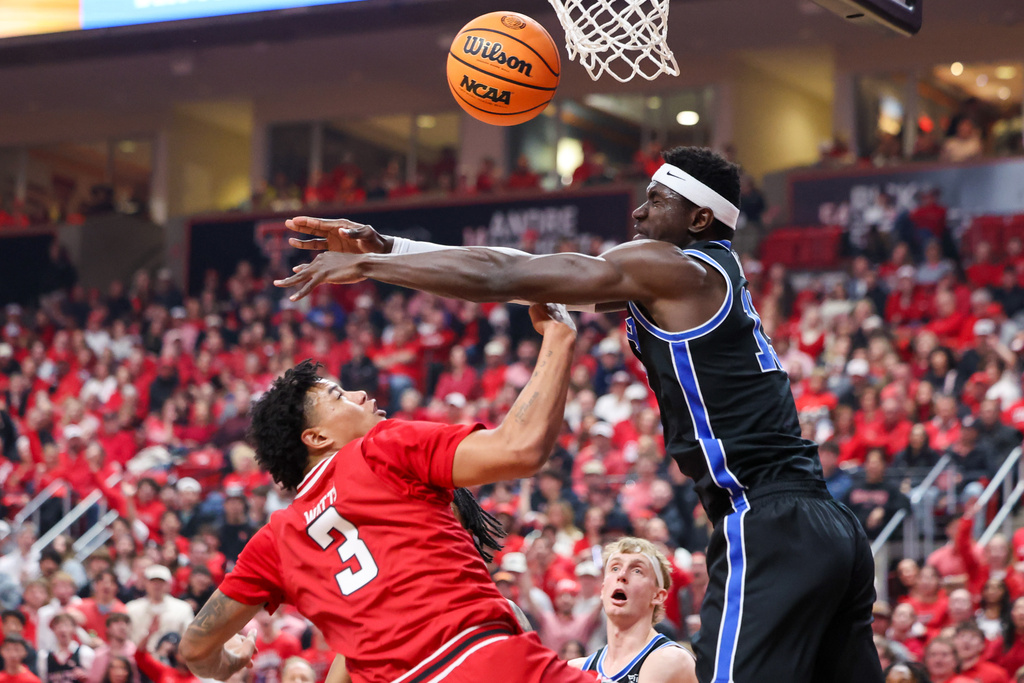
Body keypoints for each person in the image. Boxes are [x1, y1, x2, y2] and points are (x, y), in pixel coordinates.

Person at [275, 145, 883, 683]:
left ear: (698, 218)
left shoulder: (669, 267)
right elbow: (526, 279)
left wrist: (368, 266)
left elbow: (509, 273)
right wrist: (393, 246)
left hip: (763, 519)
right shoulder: (696, 276)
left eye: (656, 201)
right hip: (827, 524)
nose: (639, 214)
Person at [179, 304, 597, 683]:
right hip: (480, 659)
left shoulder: (273, 542)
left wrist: (228, 663)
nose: (363, 395)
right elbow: (520, 448)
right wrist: (559, 336)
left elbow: (194, 648)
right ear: (317, 436)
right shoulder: (377, 448)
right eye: (339, 396)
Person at [568, 537, 695, 683]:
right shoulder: (580, 668)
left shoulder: (671, 659)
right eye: (615, 568)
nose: (621, 575)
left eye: (636, 570)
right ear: (603, 590)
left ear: (658, 596)